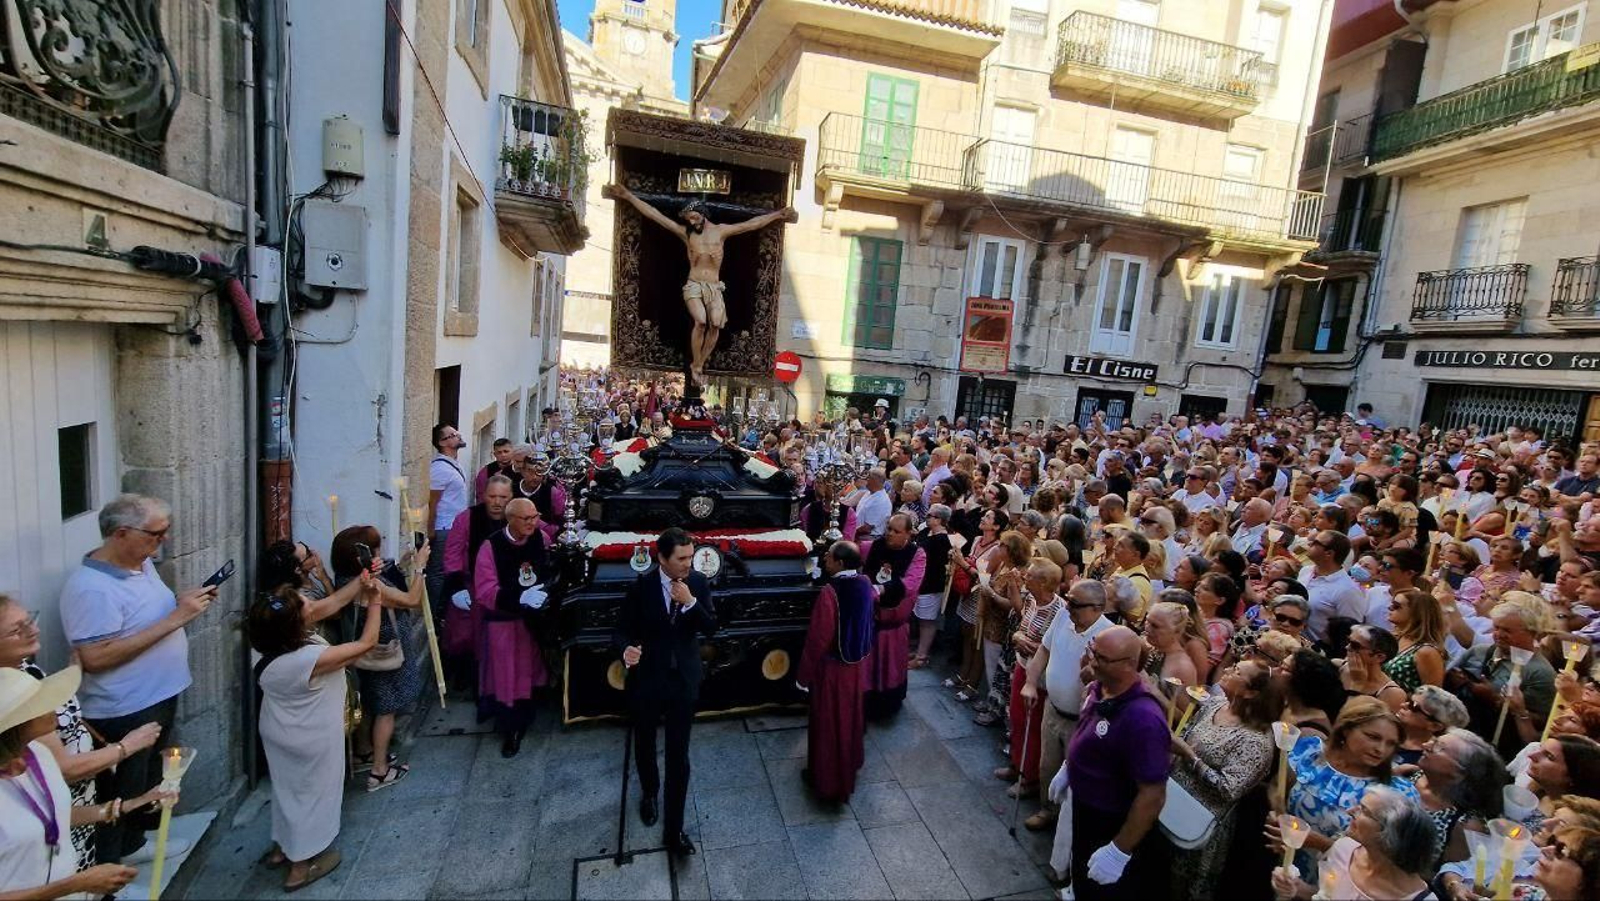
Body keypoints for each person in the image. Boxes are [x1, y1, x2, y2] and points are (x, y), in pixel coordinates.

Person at [57, 493, 215, 864]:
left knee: (147, 781)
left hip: (157, 694)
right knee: (120, 790)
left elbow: (142, 617)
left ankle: (136, 846)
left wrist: (182, 602)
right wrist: (178, 618)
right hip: (124, 706)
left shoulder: (140, 565)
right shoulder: (90, 589)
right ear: (121, 533)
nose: (163, 542)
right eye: (155, 534)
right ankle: (110, 867)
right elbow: (95, 657)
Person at [0, 595, 163, 874]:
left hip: (72, 814)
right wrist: (126, 747)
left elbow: (55, 817)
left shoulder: (26, 669)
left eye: (31, 620)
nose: (34, 630)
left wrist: (121, 808)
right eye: (17, 629)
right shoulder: (10, 701)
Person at [247, 568, 386, 893]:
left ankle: (282, 848)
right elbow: (366, 643)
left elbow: (333, 602)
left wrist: (359, 582)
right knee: (314, 796)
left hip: (279, 728)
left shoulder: (265, 644)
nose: (312, 605)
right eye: (304, 606)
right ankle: (301, 866)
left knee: (287, 791)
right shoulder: (307, 659)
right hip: (310, 734)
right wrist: (375, 601)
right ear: (296, 625)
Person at [0, 666, 169, 899]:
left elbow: (54, 814)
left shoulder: (38, 754)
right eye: (39, 704)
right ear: (16, 725)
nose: (54, 708)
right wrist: (76, 883)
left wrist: (123, 807)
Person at [604, 183, 796, 385]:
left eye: (694, 217)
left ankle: (698, 364)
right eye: (689, 219)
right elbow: (655, 215)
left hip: (714, 287)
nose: (692, 221)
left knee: (715, 324)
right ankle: (696, 363)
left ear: (703, 214)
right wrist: (627, 195)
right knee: (701, 321)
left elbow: (751, 224)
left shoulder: (721, 232)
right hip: (694, 284)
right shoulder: (687, 234)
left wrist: (778, 215)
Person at [616, 528, 717, 857]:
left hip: (683, 681)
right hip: (647, 679)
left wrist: (690, 604)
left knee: (679, 755)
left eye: (691, 556)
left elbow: (712, 627)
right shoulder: (642, 587)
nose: (689, 564)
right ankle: (649, 792)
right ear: (662, 558)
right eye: (682, 558)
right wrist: (626, 649)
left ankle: (674, 830)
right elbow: (622, 630)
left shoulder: (698, 584)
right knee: (644, 740)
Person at [1064, 625, 1170, 900]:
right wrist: (1070, 767)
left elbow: (1153, 794)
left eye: (1101, 658)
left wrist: (1118, 850)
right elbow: (1088, 729)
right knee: (1081, 878)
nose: (1092, 662)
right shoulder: (1101, 687)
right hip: (1085, 809)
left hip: (1110, 820)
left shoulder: (1143, 717)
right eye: (1093, 652)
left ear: (1129, 665)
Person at [1169, 659, 1283, 900]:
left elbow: (1229, 789)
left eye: (1237, 672)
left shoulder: (1256, 740)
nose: (1228, 670)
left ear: (1251, 692)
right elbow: (1189, 732)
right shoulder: (1216, 704)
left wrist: (1190, 757)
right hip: (1170, 803)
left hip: (1200, 825)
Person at [330, 525, 428, 792]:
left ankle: (364, 751)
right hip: (385, 649)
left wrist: (403, 563)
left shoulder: (345, 578)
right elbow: (411, 599)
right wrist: (420, 567)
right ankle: (380, 770)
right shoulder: (372, 585)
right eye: (375, 547)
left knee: (372, 701)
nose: (379, 550)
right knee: (386, 709)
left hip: (363, 651)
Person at [1276, 697, 1421, 872]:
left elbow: (1389, 860)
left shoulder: (1397, 794)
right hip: (1282, 864)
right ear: (1346, 730)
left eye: (1390, 744)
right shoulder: (1311, 754)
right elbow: (1279, 788)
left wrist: (1321, 844)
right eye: (1373, 737)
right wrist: (1278, 814)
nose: (1380, 749)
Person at [1024, 579, 1113, 836]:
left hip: (1081, 721)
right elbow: (1044, 649)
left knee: (1076, 776)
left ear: (1097, 608)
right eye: (1068, 598)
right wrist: (1031, 682)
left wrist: (1092, 672)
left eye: (1075, 603)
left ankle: (1068, 828)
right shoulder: (1063, 616)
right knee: (1047, 765)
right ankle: (1046, 809)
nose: (1068, 606)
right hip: (1053, 708)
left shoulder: (1108, 636)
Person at [468, 499, 552, 757]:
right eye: (525, 519)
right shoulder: (490, 547)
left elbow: (551, 569)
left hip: (533, 621)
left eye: (534, 517)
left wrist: (545, 590)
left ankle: (528, 711)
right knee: (507, 674)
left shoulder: (542, 538)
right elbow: (484, 589)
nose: (532, 523)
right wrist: (518, 598)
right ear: (510, 519)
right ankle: (510, 727)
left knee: (530, 669)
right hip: (504, 622)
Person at [796, 541, 875, 804]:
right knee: (850, 719)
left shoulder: (830, 592)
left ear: (840, 563)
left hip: (831, 669)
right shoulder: (865, 583)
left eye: (829, 557)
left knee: (829, 723)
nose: (825, 560)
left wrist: (803, 676)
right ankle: (848, 766)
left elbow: (817, 639)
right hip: (855, 667)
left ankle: (828, 781)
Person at [1270, 786, 1435, 901]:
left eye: (1363, 810)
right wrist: (1295, 887)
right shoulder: (1344, 849)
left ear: (1388, 834)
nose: (1350, 812)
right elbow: (1324, 895)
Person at [1446, 598, 1556, 760]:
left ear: (1533, 633)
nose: (1498, 635)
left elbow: (1542, 722)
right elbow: (1445, 676)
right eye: (1496, 627)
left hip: (1498, 750)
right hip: (1458, 735)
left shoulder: (1540, 672)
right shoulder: (1480, 651)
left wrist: (1495, 699)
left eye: (1507, 631)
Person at [441, 474, 514, 677]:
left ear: (511, 497)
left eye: (502, 497)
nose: (497, 502)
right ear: (483, 496)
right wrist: (456, 585)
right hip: (471, 586)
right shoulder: (466, 518)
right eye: (492, 496)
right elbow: (453, 552)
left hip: (505, 588)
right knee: (465, 636)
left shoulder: (516, 517)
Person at [863, 513, 926, 718]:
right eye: (888, 528)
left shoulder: (917, 553)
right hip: (871, 617)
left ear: (908, 534)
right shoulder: (877, 545)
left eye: (896, 531)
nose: (889, 534)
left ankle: (888, 705)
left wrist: (881, 589)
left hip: (893, 623)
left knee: (889, 668)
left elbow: (911, 583)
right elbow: (866, 571)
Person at [427, 423, 470, 618]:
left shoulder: (453, 463)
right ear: (442, 443)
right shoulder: (439, 469)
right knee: (437, 572)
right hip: (444, 526)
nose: (457, 436)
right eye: (452, 435)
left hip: (454, 525)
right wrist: (430, 530)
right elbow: (432, 502)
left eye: (456, 433)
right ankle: (434, 613)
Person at [1298, 530, 1365, 643]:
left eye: (1315, 543)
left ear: (1328, 553)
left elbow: (1349, 631)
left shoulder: (1348, 591)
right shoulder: (1305, 571)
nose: (1309, 544)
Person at [911, 504, 955, 669]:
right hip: (921, 581)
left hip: (932, 583)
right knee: (921, 619)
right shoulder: (926, 533)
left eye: (930, 515)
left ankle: (922, 656)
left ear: (940, 520)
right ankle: (919, 651)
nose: (927, 517)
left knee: (927, 621)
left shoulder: (943, 540)